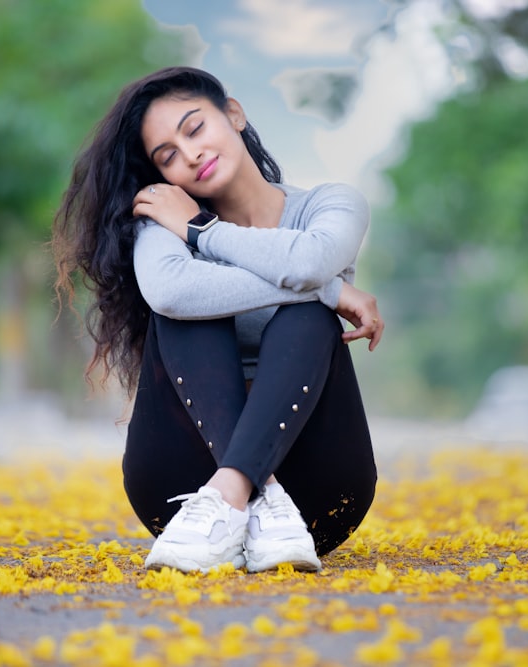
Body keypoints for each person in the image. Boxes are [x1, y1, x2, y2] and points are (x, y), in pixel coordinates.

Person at [51, 66, 384, 574]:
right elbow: (173, 291)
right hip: (184, 501)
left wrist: (202, 230)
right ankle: (243, 493)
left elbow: (312, 259)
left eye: (195, 129)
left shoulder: (328, 205)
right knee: (186, 309)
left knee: (309, 318)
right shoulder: (165, 215)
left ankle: (240, 492)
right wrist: (330, 289)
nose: (191, 155)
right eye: (168, 157)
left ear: (233, 114)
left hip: (317, 501)